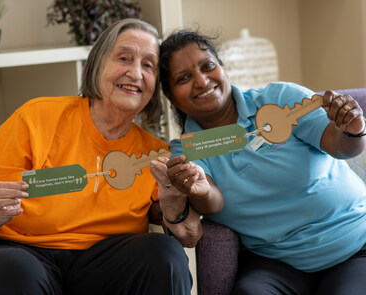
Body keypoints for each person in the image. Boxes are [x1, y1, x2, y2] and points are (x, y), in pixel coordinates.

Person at [0, 19, 201, 295]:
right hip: (22, 251)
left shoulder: (155, 154)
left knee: (165, 253)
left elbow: (190, 235)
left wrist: (174, 202)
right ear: (98, 63)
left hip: (105, 261)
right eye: (124, 58)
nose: (136, 73)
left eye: (148, 65)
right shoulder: (35, 118)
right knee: (11, 267)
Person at [154, 29, 366, 295]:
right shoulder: (186, 149)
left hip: (354, 245)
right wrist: (200, 188)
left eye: (208, 66)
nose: (201, 81)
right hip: (278, 262)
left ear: (222, 68)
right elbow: (213, 201)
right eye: (184, 78)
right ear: (171, 98)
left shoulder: (278, 99)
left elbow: (340, 145)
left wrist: (352, 129)